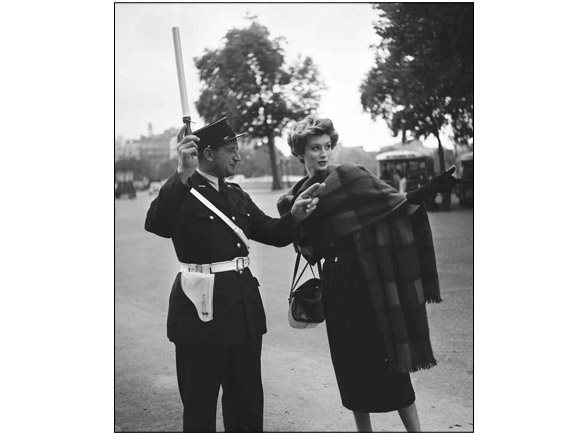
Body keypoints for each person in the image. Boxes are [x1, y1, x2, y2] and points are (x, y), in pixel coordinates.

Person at [277, 115, 459, 432]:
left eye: (327, 146)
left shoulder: (350, 176)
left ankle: (416, 431)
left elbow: (395, 206)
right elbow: (309, 252)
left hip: (371, 282)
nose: (323, 153)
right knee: (350, 366)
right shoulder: (295, 199)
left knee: (390, 360)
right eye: (315, 147)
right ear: (300, 153)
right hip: (337, 287)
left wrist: (428, 190)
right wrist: (298, 222)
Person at [145, 117, 324, 432]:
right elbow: (157, 224)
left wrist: (294, 216)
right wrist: (182, 173)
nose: (238, 157)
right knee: (200, 407)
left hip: (242, 310)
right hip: (201, 312)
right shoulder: (182, 191)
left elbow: (271, 232)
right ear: (209, 153)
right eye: (231, 150)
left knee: (247, 404)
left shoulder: (237, 193)